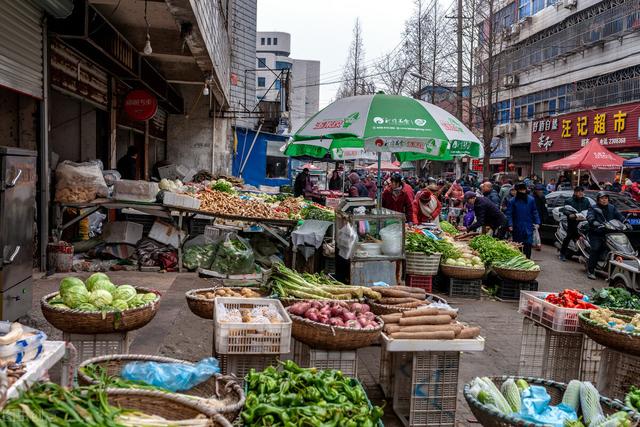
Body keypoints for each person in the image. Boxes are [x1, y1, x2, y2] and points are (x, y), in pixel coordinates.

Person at [586, 192, 625, 279]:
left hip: (610, 233)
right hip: (596, 233)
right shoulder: (594, 207)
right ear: (598, 200)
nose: (604, 200)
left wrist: (625, 222)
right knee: (596, 249)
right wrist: (593, 221)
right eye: (602, 198)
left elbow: (619, 215)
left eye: (606, 198)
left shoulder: (612, 207)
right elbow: (590, 215)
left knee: (618, 248)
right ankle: (590, 270)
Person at [506, 182, 541, 258]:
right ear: (517, 191)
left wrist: (537, 222)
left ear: (526, 190)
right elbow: (509, 214)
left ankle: (528, 260)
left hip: (528, 226)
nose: (522, 192)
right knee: (518, 245)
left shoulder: (531, 200)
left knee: (528, 244)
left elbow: (535, 211)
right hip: (517, 226)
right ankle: (519, 261)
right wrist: (510, 224)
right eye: (520, 190)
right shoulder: (512, 201)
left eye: (523, 190)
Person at [559, 185, 591, 262]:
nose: (580, 193)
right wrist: (570, 214)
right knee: (569, 237)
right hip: (573, 222)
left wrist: (590, 215)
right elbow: (565, 209)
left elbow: (590, 209)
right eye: (578, 191)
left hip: (583, 222)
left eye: (582, 191)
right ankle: (562, 254)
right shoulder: (569, 201)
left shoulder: (586, 200)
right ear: (575, 192)